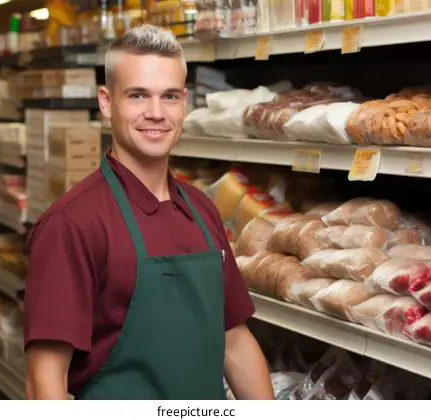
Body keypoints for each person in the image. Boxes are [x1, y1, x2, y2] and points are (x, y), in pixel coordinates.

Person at [24, 24, 274, 400]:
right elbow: (44, 379)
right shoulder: (72, 224)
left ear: (184, 102)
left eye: (169, 96)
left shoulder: (202, 209)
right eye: (138, 95)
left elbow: (234, 341)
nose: (156, 113)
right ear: (107, 102)